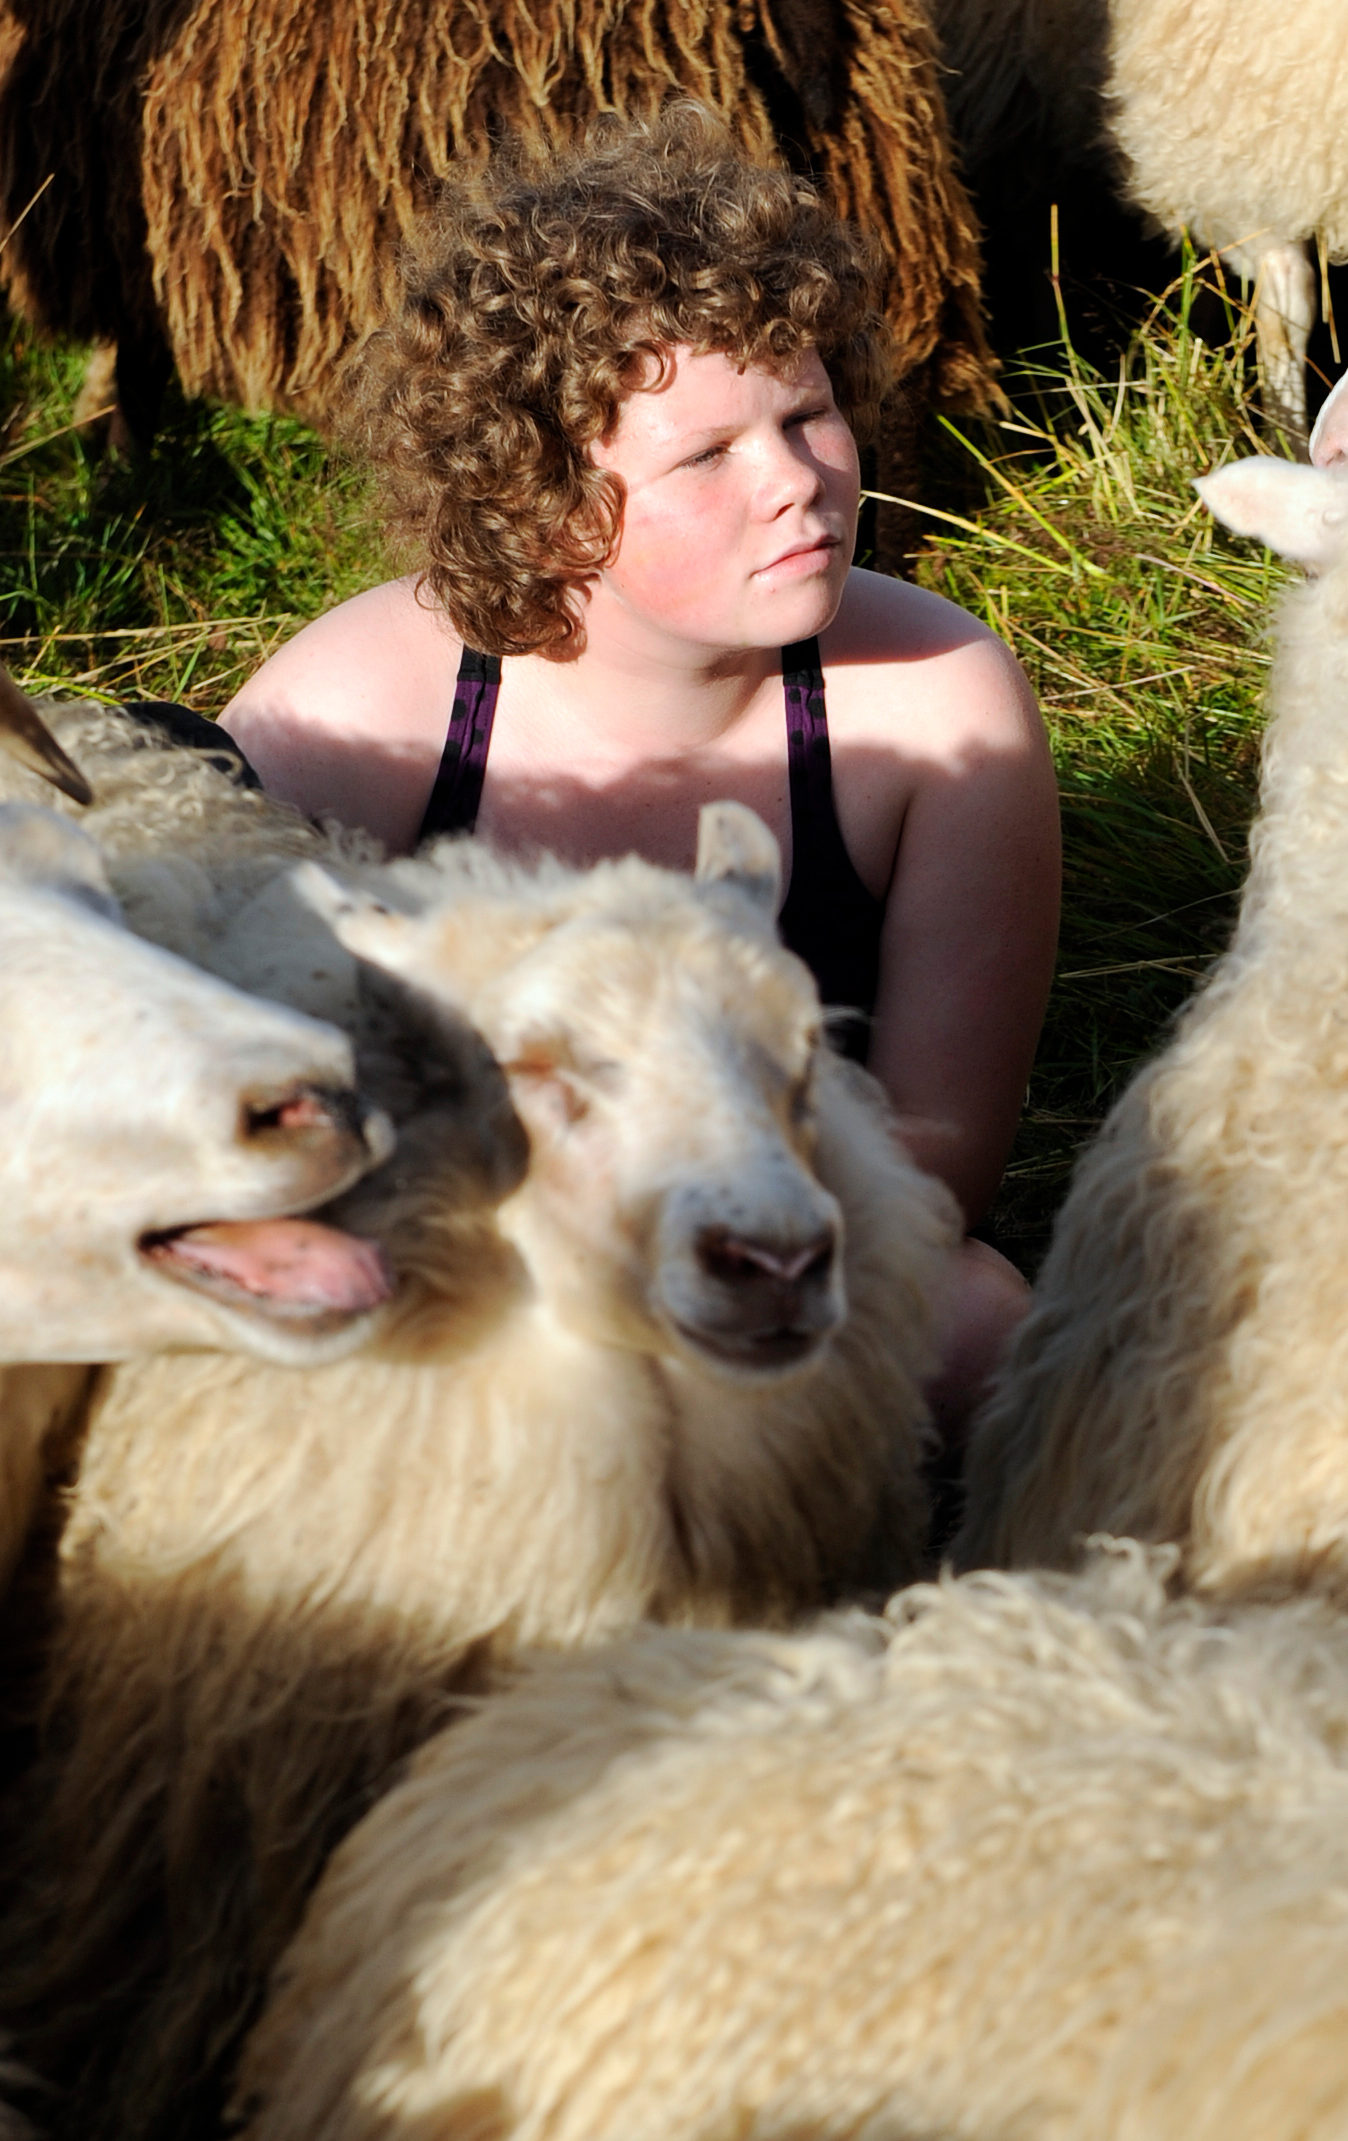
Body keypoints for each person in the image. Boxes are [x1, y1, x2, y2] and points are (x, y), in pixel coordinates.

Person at [227, 107, 1061, 1428]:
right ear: (547, 502)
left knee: (980, 1332)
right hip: (465, 1236)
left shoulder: (938, 707)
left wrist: (694, 1253)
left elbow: (938, 1165)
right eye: (709, 454)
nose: (798, 481)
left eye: (810, 412)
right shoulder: (360, 711)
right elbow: (231, 1058)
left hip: (783, 1237)